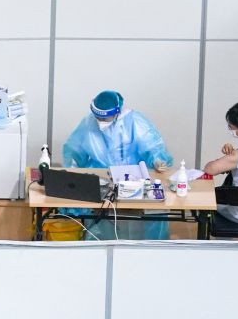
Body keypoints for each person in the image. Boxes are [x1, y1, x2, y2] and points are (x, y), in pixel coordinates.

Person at [62, 90, 174, 239]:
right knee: (102, 223)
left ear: (117, 113)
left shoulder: (133, 121)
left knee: (144, 219)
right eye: (97, 118)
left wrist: (158, 159)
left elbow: (152, 145)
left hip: (134, 179)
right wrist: (72, 172)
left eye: (105, 118)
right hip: (103, 180)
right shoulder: (89, 123)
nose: (100, 122)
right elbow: (73, 150)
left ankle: (146, 252)